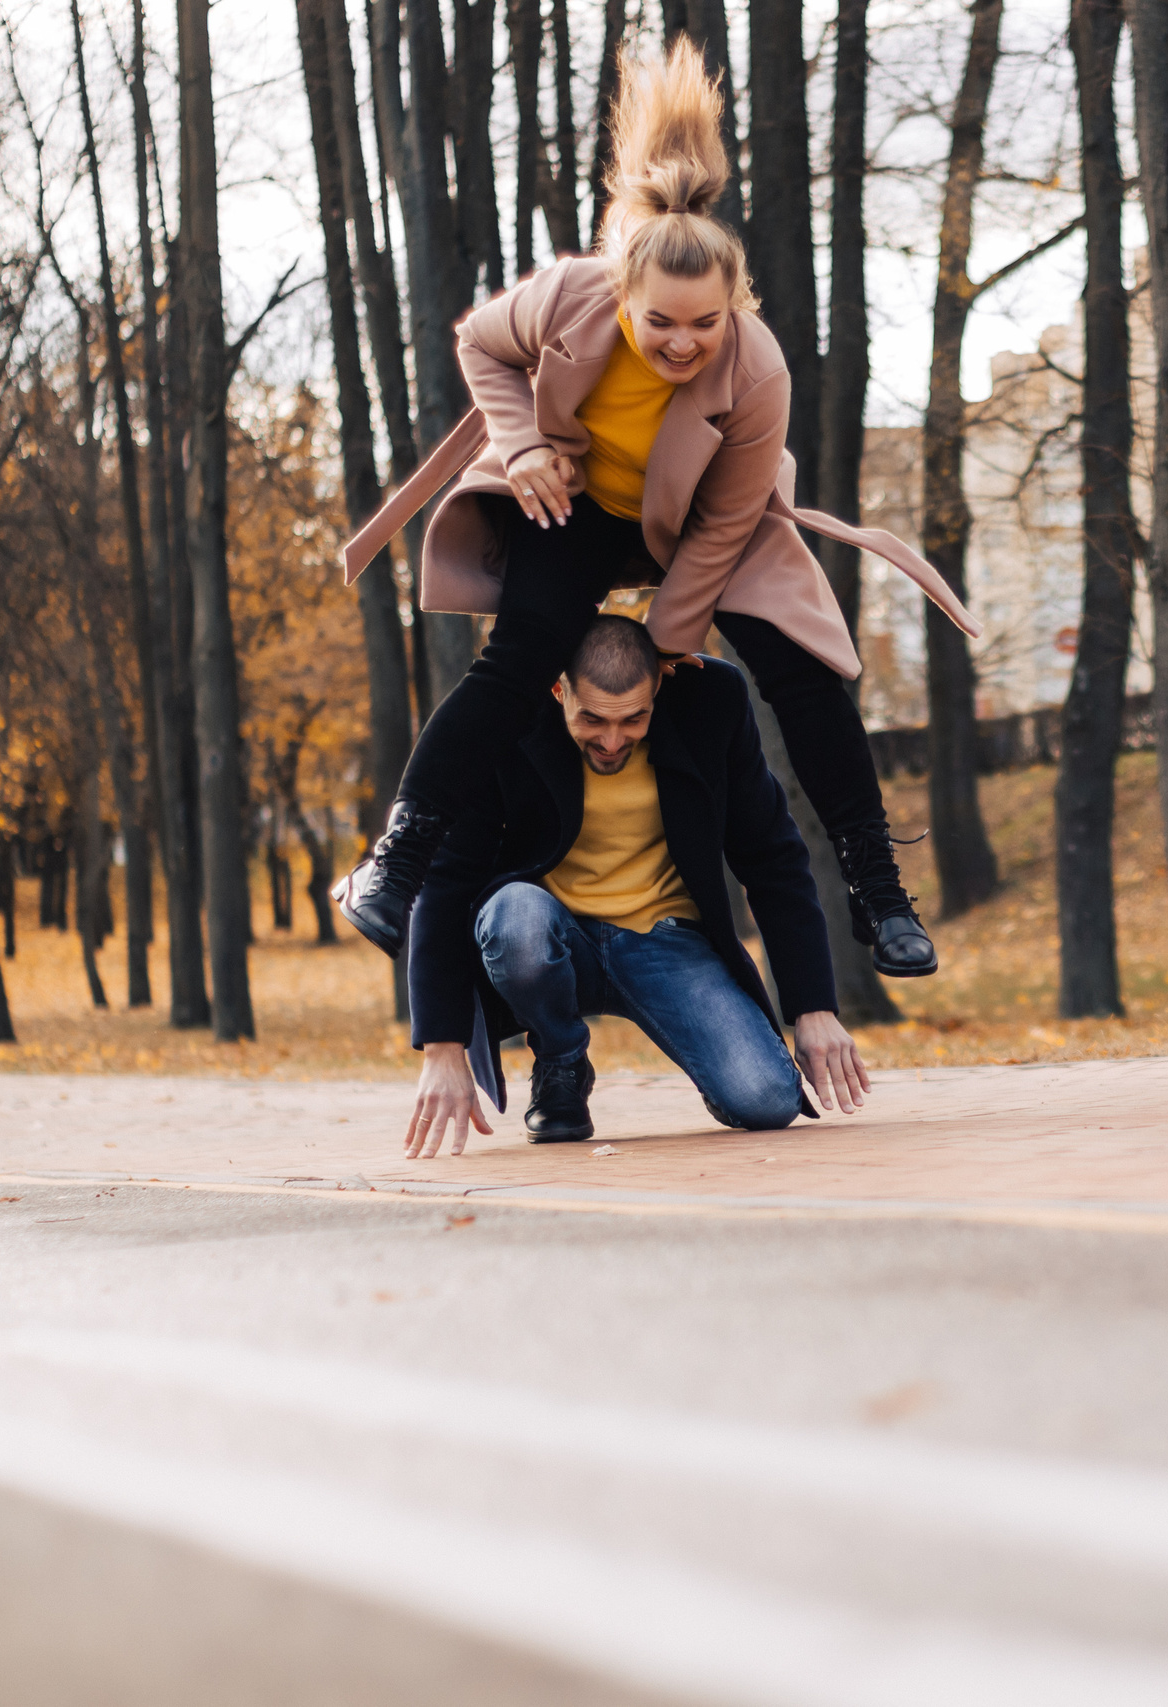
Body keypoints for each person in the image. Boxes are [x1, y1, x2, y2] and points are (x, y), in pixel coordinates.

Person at [335, 38, 973, 985]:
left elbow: (721, 529)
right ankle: (398, 859)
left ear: (735, 307)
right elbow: (480, 345)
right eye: (659, 322)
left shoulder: (756, 370)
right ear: (621, 296)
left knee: (803, 675)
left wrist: (671, 634)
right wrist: (524, 445)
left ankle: (879, 891)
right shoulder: (569, 298)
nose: (682, 342)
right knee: (518, 661)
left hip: (714, 514)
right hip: (583, 501)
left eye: (705, 323)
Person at [403, 615, 865, 1159]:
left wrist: (813, 1006)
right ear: (558, 688)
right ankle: (560, 1060)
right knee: (516, 916)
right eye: (592, 719)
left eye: (634, 719)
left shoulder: (711, 700)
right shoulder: (507, 712)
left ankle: (719, 1074)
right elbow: (447, 874)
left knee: (766, 1101)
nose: (612, 740)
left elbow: (772, 857)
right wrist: (441, 1044)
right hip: (551, 935)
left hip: (666, 940)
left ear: (660, 686)